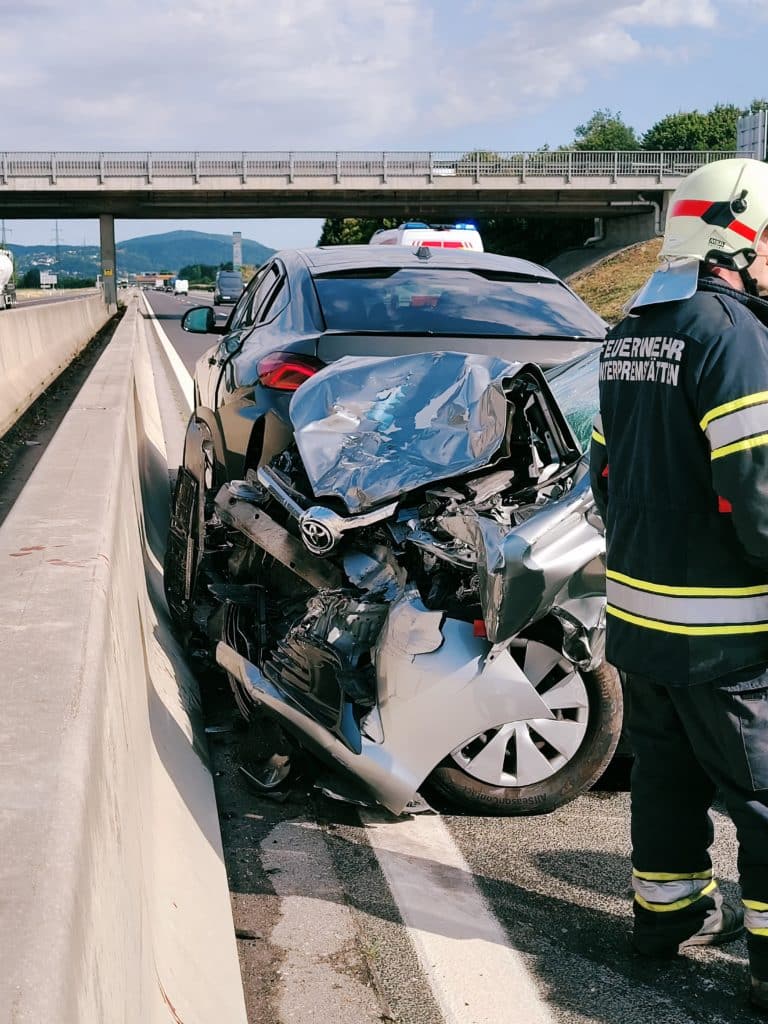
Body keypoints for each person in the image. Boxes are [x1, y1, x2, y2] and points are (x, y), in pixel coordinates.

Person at [589, 156, 768, 1013]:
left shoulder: (632, 328)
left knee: (666, 780)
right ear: (738, 234)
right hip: (728, 633)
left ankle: (666, 922)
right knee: (763, 796)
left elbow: (604, 476)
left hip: (642, 619)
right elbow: (762, 497)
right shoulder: (733, 336)